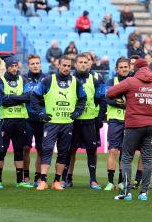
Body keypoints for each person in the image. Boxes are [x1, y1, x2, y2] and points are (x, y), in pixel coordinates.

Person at [107, 59, 152, 201]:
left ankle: (126, 192)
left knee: (126, 157)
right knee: (147, 159)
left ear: (135, 68)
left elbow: (110, 93)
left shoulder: (131, 81)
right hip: (151, 125)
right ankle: (144, 193)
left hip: (133, 124)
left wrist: (124, 100)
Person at [30, 55, 86, 190]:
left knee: (63, 152)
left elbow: (83, 99)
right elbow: (34, 96)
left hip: (67, 123)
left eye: (69, 66)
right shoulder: (48, 80)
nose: (66, 68)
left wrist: (77, 112)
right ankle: (43, 180)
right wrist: (41, 113)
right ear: (58, 65)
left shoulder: (76, 82)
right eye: (64, 65)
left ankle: (56, 181)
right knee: (47, 149)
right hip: (52, 123)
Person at [65, 53, 105, 190]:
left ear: (89, 64)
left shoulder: (95, 80)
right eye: (80, 62)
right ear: (75, 64)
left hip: (90, 121)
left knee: (92, 151)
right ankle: (67, 178)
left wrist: (100, 118)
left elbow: (102, 99)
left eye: (85, 62)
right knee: (70, 150)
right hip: (73, 121)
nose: (83, 64)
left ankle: (93, 180)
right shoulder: (69, 79)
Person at [0, 57, 32, 188]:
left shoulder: (23, 79)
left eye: (16, 66)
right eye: (11, 66)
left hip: (20, 119)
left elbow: (28, 97)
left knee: (19, 150)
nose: (14, 68)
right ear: (7, 67)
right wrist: (19, 98)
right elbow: (3, 100)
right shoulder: (1, 80)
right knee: (2, 150)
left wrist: (11, 97)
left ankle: (20, 181)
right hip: (5, 119)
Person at [103, 57, 130, 191]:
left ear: (129, 68)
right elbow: (108, 98)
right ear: (116, 69)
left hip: (129, 121)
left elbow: (133, 101)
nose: (124, 69)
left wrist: (120, 101)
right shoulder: (110, 81)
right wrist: (125, 103)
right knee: (113, 150)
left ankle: (121, 181)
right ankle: (109, 181)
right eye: (121, 67)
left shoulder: (133, 82)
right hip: (114, 120)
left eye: (126, 67)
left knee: (125, 152)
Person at [23, 54, 45, 186]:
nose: (35, 66)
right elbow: (23, 97)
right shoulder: (24, 79)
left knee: (41, 149)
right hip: (27, 118)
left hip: (42, 119)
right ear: (29, 65)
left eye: (37, 63)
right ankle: (26, 176)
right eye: (32, 64)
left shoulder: (47, 79)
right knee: (25, 148)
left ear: (40, 64)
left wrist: (33, 97)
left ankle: (38, 176)